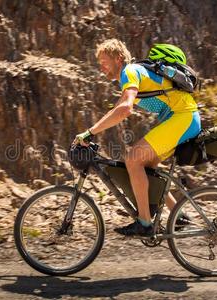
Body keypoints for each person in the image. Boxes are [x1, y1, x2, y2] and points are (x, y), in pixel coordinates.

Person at [73, 39, 201, 236]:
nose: (101, 67)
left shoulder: (130, 71)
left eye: (104, 61)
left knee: (133, 160)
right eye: (99, 63)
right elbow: (117, 109)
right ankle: (179, 216)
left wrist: (90, 132)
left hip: (182, 118)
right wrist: (93, 131)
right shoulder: (132, 75)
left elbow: (125, 108)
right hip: (183, 119)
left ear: (119, 58)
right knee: (147, 168)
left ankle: (145, 222)